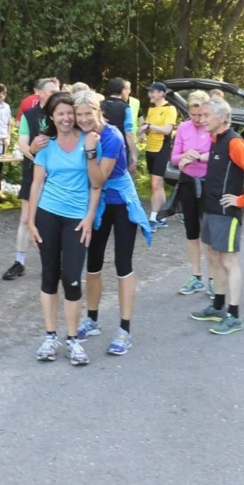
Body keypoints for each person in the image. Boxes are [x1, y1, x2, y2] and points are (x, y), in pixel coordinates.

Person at [73, 91, 152, 355]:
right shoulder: (79, 134)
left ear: (99, 112)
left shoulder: (112, 136)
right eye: (79, 114)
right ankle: (92, 320)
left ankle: (124, 330)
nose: (83, 119)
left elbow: (98, 179)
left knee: (123, 265)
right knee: (92, 264)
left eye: (88, 113)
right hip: (98, 204)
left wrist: (90, 151)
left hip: (120, 202)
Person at [28, 92, 102, 365]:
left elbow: (97, 184)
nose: (67, 118)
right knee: (49, 276)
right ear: (52, 117)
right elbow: (37, 184)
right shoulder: (45, 145)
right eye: (60, 113)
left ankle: (73, 339)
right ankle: (50, 336)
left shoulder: (90, 141)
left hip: (77, 219)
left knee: (71, 278)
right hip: (48, 215)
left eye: (70, 112)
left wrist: (89, 218)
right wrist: (31, 221)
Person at [189, 97, 244, 335]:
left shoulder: (234, 142)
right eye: (200, 116)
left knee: (228, 260)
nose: (202, 120)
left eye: (207, 116)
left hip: (226, 213)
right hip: (211, 209)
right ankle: (218, 306)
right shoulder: (215, 139)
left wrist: (242, 200)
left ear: (222, 118)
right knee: (213, 256)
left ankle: (234, 315)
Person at [5, 78, 60, 280]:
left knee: (55, 220)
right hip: (33, 171)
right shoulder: (30, 115)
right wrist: (36, 156)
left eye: (58, 90)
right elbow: (23, 145)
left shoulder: (63, 113)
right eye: (52, 90)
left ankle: (55, 262)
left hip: (59, 174)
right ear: (40, 94)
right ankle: (19, 262)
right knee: (26, 218)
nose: (56, 93)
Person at [170, 90, 213, 296]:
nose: (197, 119)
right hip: (187, 182)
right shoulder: (183, 128)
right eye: (193, 115)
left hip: (208, 182)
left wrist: (198, 158)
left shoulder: (213, 127)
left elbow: (218, 155)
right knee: (191, 230)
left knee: (210, 232)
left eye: (201, 115)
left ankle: (213, 278)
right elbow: (174, 157)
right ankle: (196, 277)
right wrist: (184, 157)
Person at [139, 82, 177, 228]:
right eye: (149, 92)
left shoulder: (170, 109)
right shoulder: (152, 109)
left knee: (155, 184)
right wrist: (143, 131)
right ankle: (162, 217)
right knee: (157, 186)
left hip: (162, 148)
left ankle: (153, 219)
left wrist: (149, 127)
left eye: (152, 92)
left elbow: (167, 130)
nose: (150, 95)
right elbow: (146, 126)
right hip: (150, 148)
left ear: (161, 93)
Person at [100, 77, 139, 176]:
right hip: (120, 148)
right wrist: (134, 154)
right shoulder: (126, 107)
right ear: (122, 90)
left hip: (101, 145)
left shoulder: (100, 105)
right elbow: (129, 132)